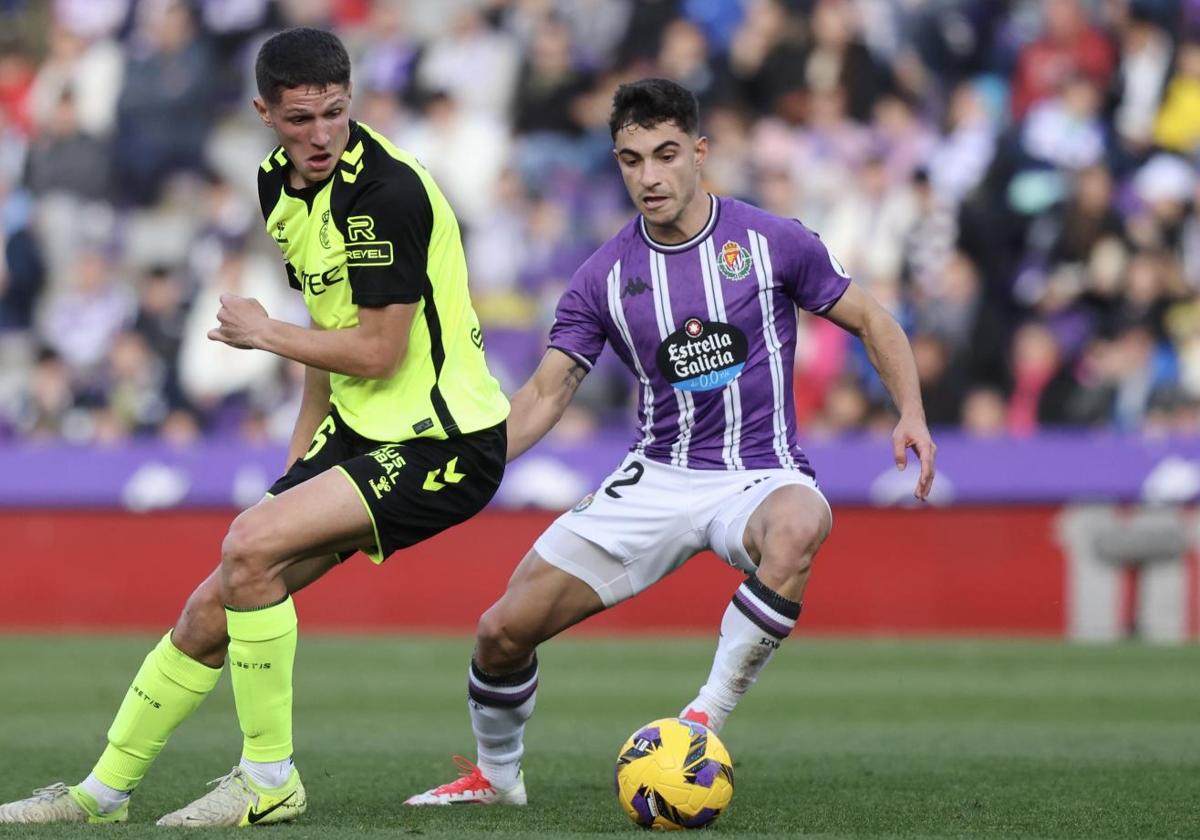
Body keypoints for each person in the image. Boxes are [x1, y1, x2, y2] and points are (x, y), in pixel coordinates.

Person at [0, 27, 509, 827]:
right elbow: (327, 330)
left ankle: (270, 778)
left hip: (441, 441)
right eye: (299, 118)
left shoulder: (388, 193)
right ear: (264, 113)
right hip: (359, 430)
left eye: (334, 114)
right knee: (216, 602)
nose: (319, 135)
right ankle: (101, 794)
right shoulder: (277, 185)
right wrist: (295, 465)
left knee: (246, 547)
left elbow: (376, 351)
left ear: (353, 103)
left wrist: (262, 331)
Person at [405, 78, 935, 806]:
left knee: (803, 521)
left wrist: (909, 410)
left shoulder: (771, 241)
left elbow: (875, 320)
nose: (649, 177)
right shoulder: (603, 277)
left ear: (699, 151)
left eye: (664, 155)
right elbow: (543, 396)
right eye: (631, 160)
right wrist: (464, 466)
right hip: (655, 475)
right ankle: (496, 780)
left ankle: (699, 723)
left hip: (758, 473)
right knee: (501, 631)